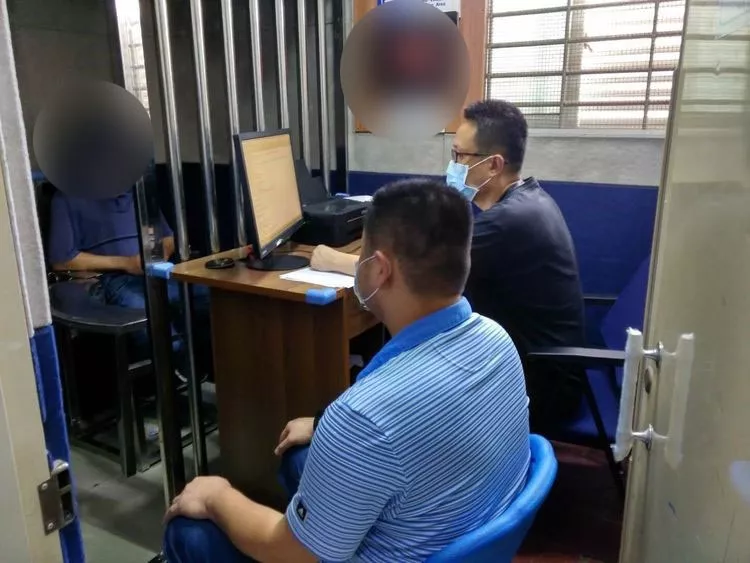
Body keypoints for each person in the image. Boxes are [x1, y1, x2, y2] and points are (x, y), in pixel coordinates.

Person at [162, 179, 530, 563]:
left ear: (380, 269)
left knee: (190, 531)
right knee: (299, 456)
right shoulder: (497, 339)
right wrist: (326, 428)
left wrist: (217, 495)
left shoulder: (362, 416)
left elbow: (291, 553)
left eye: (363, 251)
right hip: (468, 533)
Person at [310, 100, 585, 431]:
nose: (452, 166)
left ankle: (344, 427)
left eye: (459, 156)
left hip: (541, 385)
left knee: (418, 386)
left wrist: (330, 258)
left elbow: (409, 268)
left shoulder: (510, 222)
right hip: (536, 362)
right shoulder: (529, 201)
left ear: (494, 165)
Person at [47, 188, 211, 377]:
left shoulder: (139, 191)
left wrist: (155, 255)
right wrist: (127, 263)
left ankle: (209, 361)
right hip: (111, 278)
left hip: (155, 270)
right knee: (143, 307)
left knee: (208, 293)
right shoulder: (68, 198)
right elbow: (62, 260)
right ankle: (174, 364)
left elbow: (167, 238)